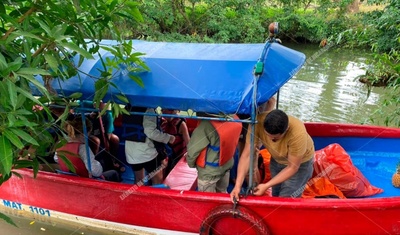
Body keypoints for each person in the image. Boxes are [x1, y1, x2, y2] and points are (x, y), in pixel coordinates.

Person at [230, 109, 314, 200]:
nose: (270, 139)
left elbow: (292, 167)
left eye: (274, 139)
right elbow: (247, 155)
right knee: (276, 194)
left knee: (286, 199)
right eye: (267, 135)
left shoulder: (297, 134)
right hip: (277, 159)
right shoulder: (257, 123)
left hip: (299, 165)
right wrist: (237, 186)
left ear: (287, 129)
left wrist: (266, 185)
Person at [187, 113, 242, 193]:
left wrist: (190, 163)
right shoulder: (234, 118)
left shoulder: (205, 125)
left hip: (209, 172)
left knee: (207, 201)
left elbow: (193, 149)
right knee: (222, 193)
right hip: (226, 166)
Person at [56, 116, 120, 182]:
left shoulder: (60, 144)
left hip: (68, 177)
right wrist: (98, 165)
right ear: (88, 132)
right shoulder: (83, 148)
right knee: (113, 173)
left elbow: (56, 159)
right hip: (84, 180)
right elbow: (97, 172)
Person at [124, 105, 175, 185]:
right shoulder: (149, 109)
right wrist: (169, 138)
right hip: (146, 153)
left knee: (138, 181)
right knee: (157, 179)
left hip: (131, 152)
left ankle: (137, 197)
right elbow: (150, 132)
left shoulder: (128, 107)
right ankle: (155, 196)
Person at [161, 109, 191, 175]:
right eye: (162, 110)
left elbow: (188, 142)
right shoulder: (162, 122)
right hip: (165, 155)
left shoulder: (181, 124)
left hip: (178, 156)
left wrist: (189, 154)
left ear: (173, 111)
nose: (163, 111)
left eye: (166, 110)